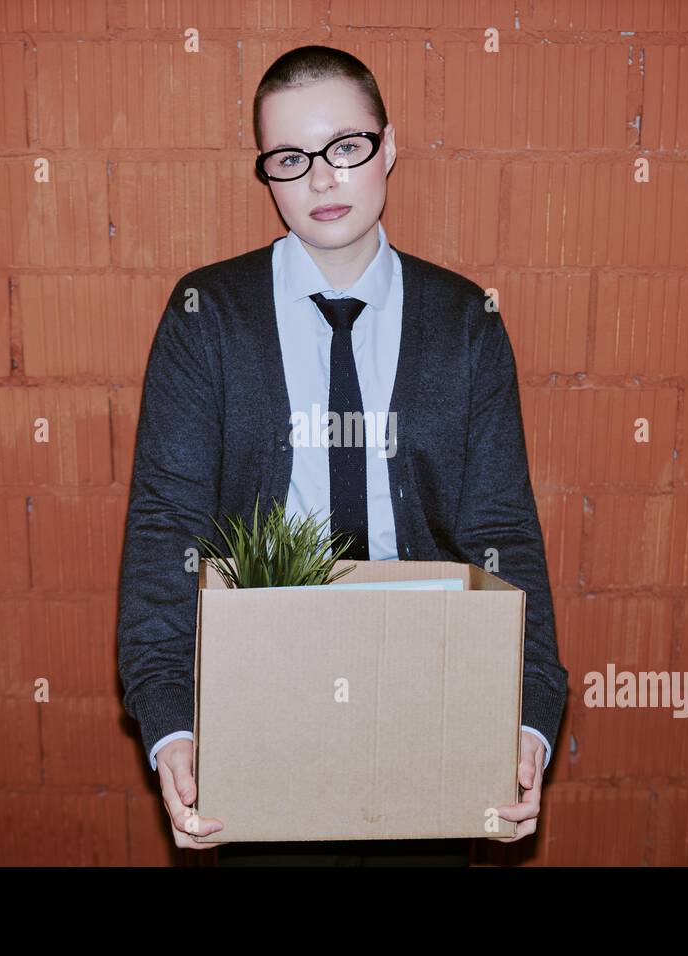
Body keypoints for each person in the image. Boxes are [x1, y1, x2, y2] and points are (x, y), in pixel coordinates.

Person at [116, 45, 568, 866]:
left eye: (345, 147)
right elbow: (166, 525)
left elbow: (503, 528)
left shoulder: (466, 322)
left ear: (388, 148)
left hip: (428, 694)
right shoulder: (206, 317)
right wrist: (171, 722)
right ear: (269, 174)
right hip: (263, 696)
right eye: (291, 158)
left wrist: (527, 715)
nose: (322, 179)